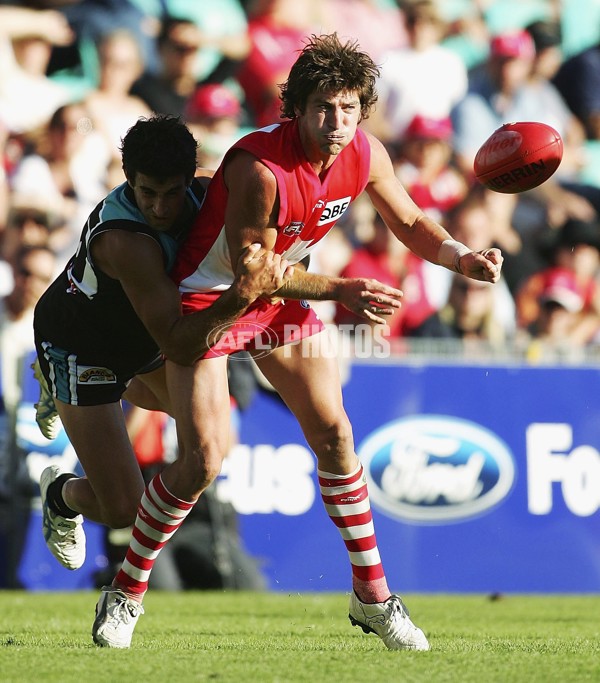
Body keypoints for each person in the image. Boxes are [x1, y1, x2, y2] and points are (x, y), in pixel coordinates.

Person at [92, 34, 503, 652]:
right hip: (212, 304)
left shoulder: (366, 152)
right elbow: (252, 274)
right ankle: (125, 592)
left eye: (346, 107)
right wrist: (342, 289)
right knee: (201, 462)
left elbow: (411, 221)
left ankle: (374, 598)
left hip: (282, 302)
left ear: (361, 109)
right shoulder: (260, 168)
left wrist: (460, 258)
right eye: (322, 108)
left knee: (335, 434)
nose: (336, 122)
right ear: (297, 108)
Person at [32, 114, 294, 581]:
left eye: (170, 192)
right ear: (127, 179)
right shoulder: (125, 241)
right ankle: (61, 494)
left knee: (210, 446)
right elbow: (177, 337)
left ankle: (53, 387)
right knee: (124, 509)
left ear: (190, 179)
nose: (158, 206)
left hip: (144, 337)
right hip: (84, 347)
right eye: (145, 192)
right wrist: (242, 294)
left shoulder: (208, 194)